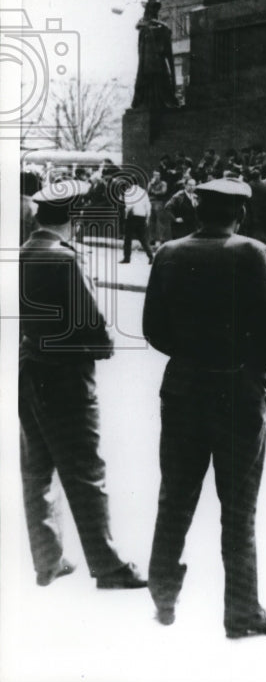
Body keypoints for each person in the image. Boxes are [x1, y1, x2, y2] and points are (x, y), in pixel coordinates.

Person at [142, 178, 266, 637]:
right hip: (236, 392)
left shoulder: (168, 253)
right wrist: (249, 372)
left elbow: (153, 328)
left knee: (175, 498)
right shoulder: (251, 252)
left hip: (184, 388)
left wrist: (191, 357)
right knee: (238, 508)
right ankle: (242, 612)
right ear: (240, 214)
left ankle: (163, 596)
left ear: (197, 211)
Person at [19, 181, 147, 590]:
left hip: (29, 368)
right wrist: (104, 347)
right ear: (72, 219)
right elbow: (93, 324)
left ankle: (48, 558)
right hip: (67, 376)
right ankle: (108, 565)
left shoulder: (21, 253)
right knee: (86, 470)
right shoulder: (64, 259)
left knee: (37, 467)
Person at [131, 0, 177, 112]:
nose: (155, 12)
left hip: (154, 66)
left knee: (159, 86)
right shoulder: (149, 28)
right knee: (153, 88)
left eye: (156, 10)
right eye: (153, 9)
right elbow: (141, 51)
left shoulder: (160, 28)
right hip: (150, 66)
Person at [121, 182, 154, 264]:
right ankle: (151, 256)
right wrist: (147, 217)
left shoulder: (129, 192)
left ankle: (127, 258)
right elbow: (148, 205)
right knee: (143, 238)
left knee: (128, 238)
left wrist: (125, 216)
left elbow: (129, 206)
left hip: (132, 216)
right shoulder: (143, 192)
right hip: (142, 216)